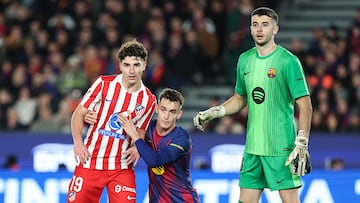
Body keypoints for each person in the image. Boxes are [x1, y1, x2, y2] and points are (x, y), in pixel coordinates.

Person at [193, 7, 313, 203]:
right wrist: (217, 111)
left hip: (281, 147)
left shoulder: (288, 61)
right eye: (255, 25)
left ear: (275, 30)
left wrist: (302, 142)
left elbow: (305, 105)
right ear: (250, 29)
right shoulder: (244, 60)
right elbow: (240, 98)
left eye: (265, 25)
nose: (259, 29)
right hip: (252, 148)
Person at [67, 39, 157, 203]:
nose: (131, 70)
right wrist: (78, 142)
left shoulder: (149, 100)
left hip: (121, 168)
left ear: (144, 65)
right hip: (91, 162)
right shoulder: (103, 84)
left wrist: (138, 149)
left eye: (136, 65)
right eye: (127, 65)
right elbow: (79, 114)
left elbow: (141, 130)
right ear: (120, 66)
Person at [118, 88, 200, 203]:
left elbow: (154, 160)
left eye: (172, 112)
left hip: (182, 200)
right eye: (163, 109)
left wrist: (135, 136)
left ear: (179, 114)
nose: (166, 117)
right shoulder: (147, 128)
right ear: (156, 108)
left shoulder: (182, 138)